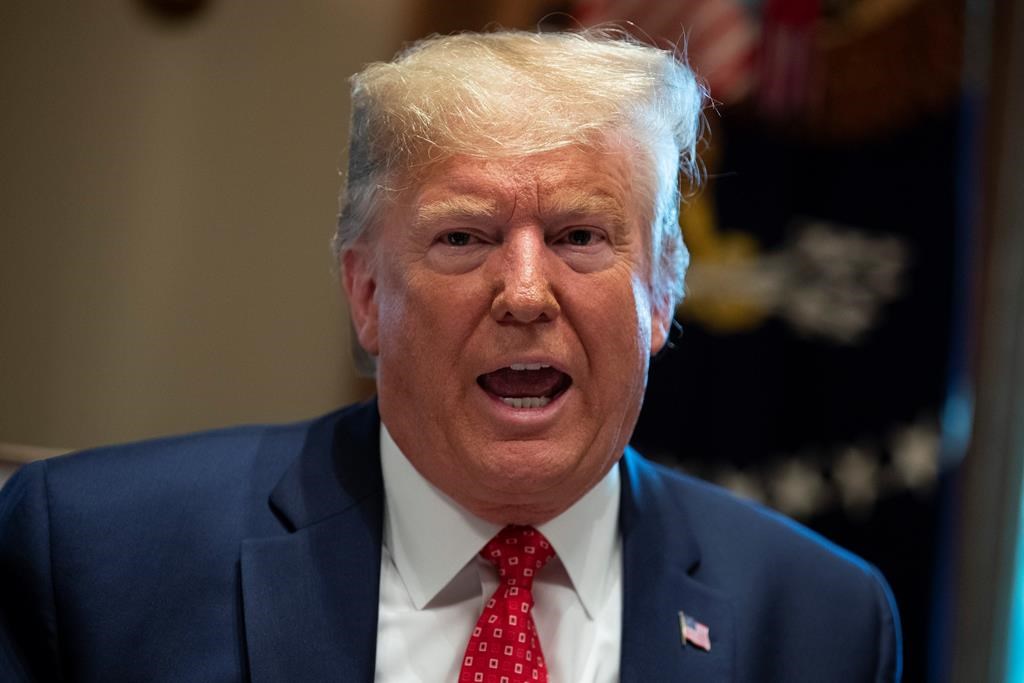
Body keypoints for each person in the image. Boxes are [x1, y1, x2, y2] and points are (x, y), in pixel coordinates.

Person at [0, 29, 900, 682]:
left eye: (582, 235)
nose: (523, 293)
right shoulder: (88, 553)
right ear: (365, 295)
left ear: (661, 294)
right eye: (464, 237)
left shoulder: (823, 621)